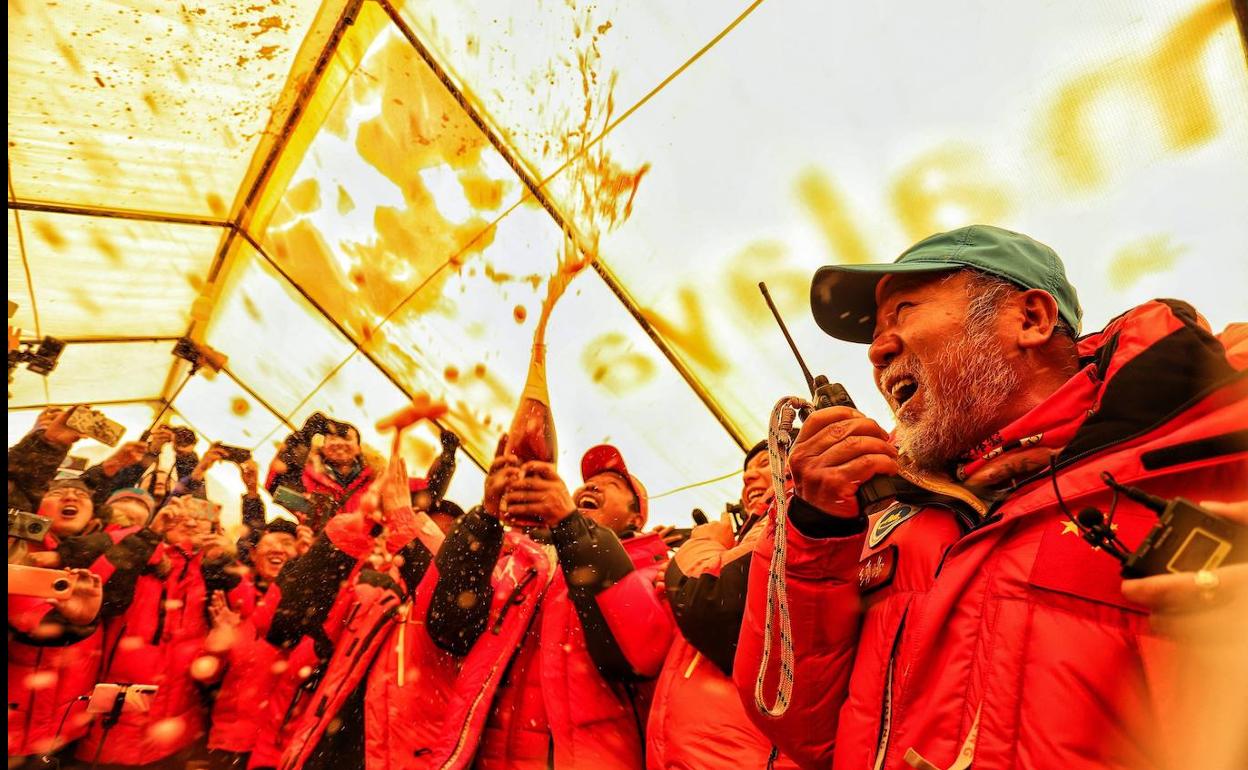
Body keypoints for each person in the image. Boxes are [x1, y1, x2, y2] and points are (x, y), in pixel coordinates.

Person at [734, 225, 1248, 769]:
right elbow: (802, 729)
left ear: (1030, 318)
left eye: (903, 312)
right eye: (876, 333)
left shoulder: (1212, 431)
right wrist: (816, 528)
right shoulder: (886, 515)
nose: (877, 351)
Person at [416, 444, 672, 770]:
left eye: (613, 485)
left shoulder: (653, 571)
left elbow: (636, 656)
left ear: (637, 517)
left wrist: (571, 526)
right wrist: (486, 516)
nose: (592, 485)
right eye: (588, 481)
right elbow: (450, 626)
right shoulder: (522, 564)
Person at [647, 441, 797, 770]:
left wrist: (702, 544)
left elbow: (712, 605)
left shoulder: (795, 510)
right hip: (702, 753)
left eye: (763, 462)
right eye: (745, 471)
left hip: (743, 755)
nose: (749, 476)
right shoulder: (751, 533)